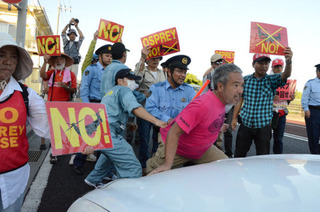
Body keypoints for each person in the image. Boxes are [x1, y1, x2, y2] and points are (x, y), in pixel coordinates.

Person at [147, 64, 244, 175]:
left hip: (202, 150)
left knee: (228, 168)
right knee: (151, 177)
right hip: (177, 149)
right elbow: (173, 132)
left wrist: (218, 126)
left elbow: (206, 120)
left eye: (242, 85)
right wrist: (167, 164)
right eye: (235, 85)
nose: (240, 91)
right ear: (220, 87)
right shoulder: (202, 105)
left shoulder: (223, 102)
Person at [85, 69, 167, 188]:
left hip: (101, 130)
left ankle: (94, 179)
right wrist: (156, 121)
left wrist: (128, 124)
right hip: (110, 133)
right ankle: (127, 191)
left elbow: (113, 112)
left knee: (110, 156)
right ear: (120, 81)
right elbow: (135, 108)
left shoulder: (111, 92)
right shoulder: (124, 89)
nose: (134, 82)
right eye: (131, 79)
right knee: (132, 166)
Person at [0, 32, 50, 211]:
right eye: (2, 55)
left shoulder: (26, 94)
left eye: (13, 57)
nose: (8, 61)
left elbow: (50, 125)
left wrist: (82, 141)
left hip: (14, 179)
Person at [232, 48, 293, 157]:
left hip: (264, 127)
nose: (264, 66)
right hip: (245, 125)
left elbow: (286, 75)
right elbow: (240, 99)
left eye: (266, 63)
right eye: (260, 63)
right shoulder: (245, 80)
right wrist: (233, 118)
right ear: (253, 64)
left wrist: (288, 61)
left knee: (263, 157)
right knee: (239, 155)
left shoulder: (272, 80)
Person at [143, 55, 195, 171]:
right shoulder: (156, 89)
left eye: (185, 72)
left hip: (184, 135)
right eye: (179, 71)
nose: (183, 75)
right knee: (157, 167)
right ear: (169, 72)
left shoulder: (189, 90)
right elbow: (150, 108)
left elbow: (195, 110)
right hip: (162, 133)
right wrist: (168, 119)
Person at [71, 44, 113, 174]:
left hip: (106, 106)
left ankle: (101, 169)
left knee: (104, 138)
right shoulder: (91, 69)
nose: (109, 58)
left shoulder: (112, 70)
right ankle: (78, 163)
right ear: (100, 56)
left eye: (111, 56)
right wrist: (88, 107)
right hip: (92, 105)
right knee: (88, 137)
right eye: (107, 56)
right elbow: (84, 89)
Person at [133, 46, 167, 170]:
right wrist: (142, 57)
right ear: (147, 59)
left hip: (159, 111)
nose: (156, 60)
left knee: (158, 139)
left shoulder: (162, 73)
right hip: (145, 110)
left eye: (158, 58)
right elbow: (136, 79)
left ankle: (154, 162)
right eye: (153, 58)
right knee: (144, 139)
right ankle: (143, 165)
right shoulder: (142, 69)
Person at [40, 53, 77, 164]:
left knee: (61, 130)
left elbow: (74, 90)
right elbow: (43, 75)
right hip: (51, 105)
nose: (58, 60)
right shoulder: (52, 72)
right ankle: (54, 153)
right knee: (53, 130)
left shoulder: (70, 75)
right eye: (56, 58)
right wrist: (45, 62)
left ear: (65, 61)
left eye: (61, 58)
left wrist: (65, 87)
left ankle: (59, 150)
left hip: (64, 106)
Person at [270, 58, 295, 154]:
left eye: (280, 67)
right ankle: (264, 159)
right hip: (269, 113)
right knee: (265, 139)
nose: (279, 69)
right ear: (272, 68)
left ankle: (278, 159)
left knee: (278, 140)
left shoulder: (288, 83)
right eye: (276, 67)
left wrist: (290, 98)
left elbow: (286, 102)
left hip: (281, 114)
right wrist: (272, 96)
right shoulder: (268, 80)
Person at [301, 64, 320, 154]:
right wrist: (306, 109)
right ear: (317, 72)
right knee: (314, 136)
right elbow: (305, 97)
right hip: (313, 112)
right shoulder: (310, 83)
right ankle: (314, 155)